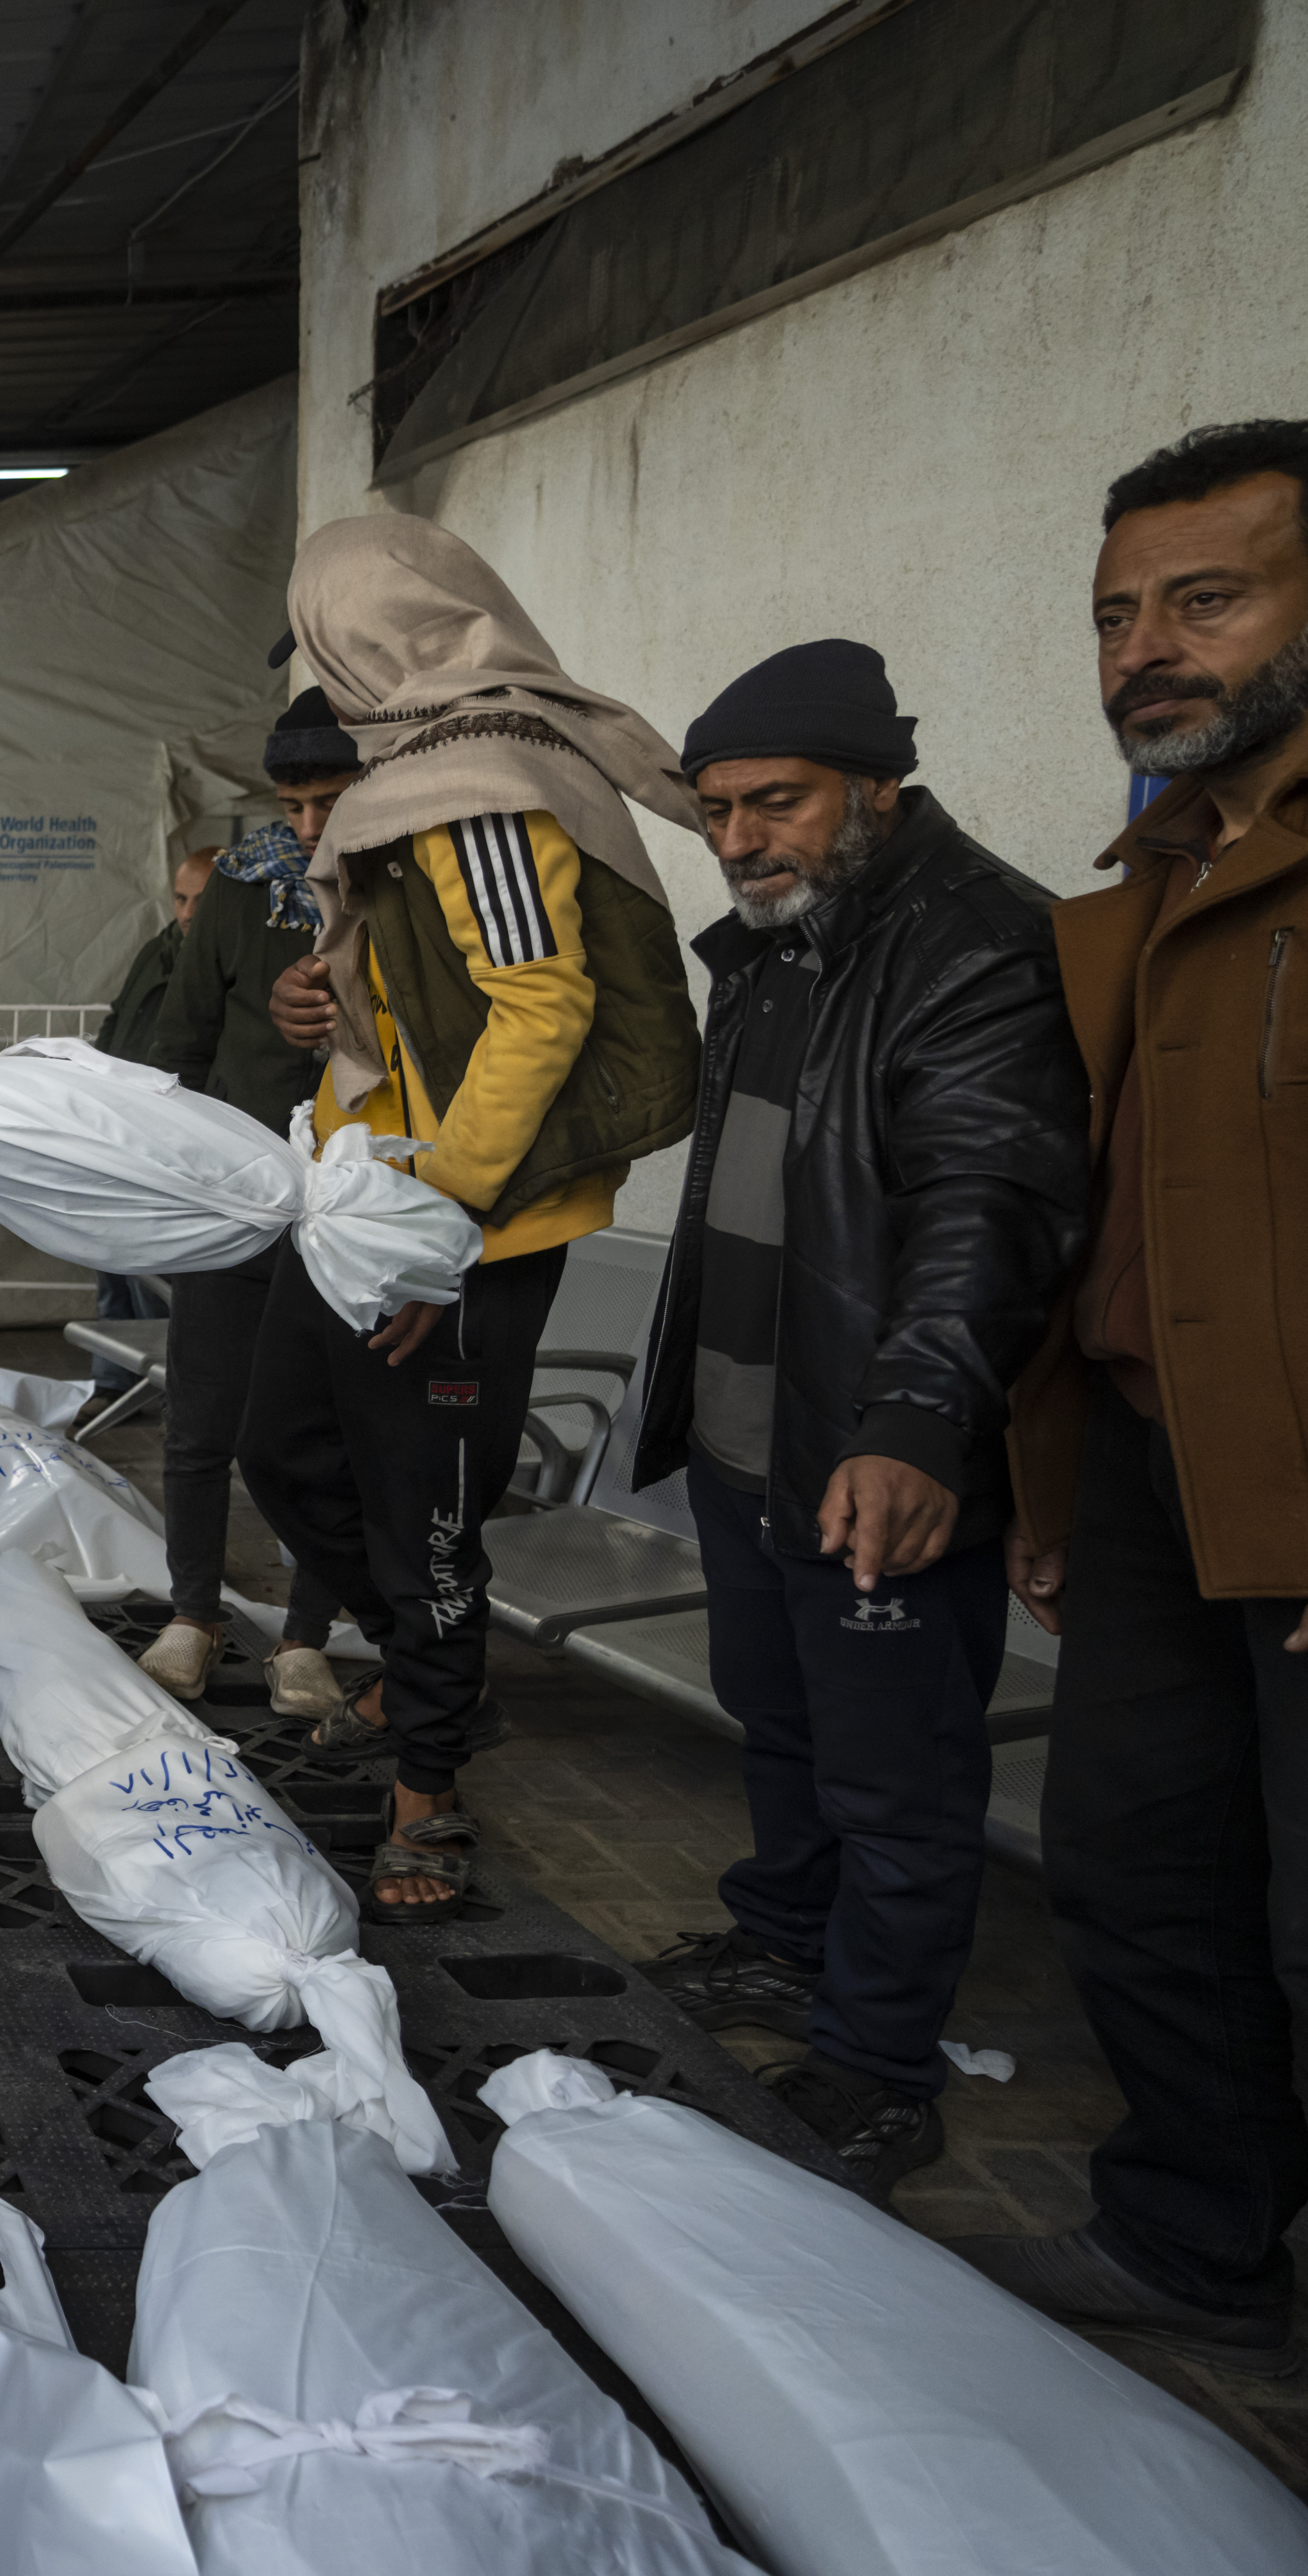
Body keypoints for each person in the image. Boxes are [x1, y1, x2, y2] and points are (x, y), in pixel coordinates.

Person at [620, 641, 1088, 2197]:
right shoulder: (774, 946)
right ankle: (781, 1935)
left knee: (898, 1777)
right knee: (784, 1719)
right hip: (761, 1445)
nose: (744, 838)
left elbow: (987, 1205)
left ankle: (880, 2065)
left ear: (879, 790)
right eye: (718, 811)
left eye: (780, 802)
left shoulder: (977, 945)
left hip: (876, 1453)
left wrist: (914, 1423)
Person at [955, 419, 1308, 2372]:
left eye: (1206, 599)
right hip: (1154, 1475)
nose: (1143, 650)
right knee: (1131, 1864)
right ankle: (1190, 2237)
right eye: (1112, 616)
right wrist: (1048, 1472)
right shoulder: (1145, 889)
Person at [251, 516, 704, 1925]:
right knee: (288, 1452)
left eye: (321, 640)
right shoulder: (403, 779)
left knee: (429, 1517)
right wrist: (313, 1010)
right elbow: (414, 999)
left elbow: (542, 1000)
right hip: (370, 1200)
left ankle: (430, 1786)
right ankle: (411, 1675)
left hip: (468, 1228)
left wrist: (433, 1218)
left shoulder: (478, 782)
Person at [128, 691, 361, 1719]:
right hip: (231, 1199)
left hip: (356, 1206)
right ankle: (192, 1611)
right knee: (202, 1412)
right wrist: (183, 1168)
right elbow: (180, 1042)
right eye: (293, 803)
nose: (309, 827)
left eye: (332, 800)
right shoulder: (237, 886)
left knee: (328, 1432)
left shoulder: (415, 885)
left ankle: (307, 1635)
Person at [77, 850, 216, 1393]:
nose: (185, 912)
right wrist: (95, 1078)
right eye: (180, 898)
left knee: (147, 1269)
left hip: (168, 1134)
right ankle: (114, 1384)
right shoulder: (160, 950)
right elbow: (119, 1017)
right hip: (121, 1124)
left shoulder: (216, 958)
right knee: (107, 1257)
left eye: (200, 902)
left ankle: (156, 1389)